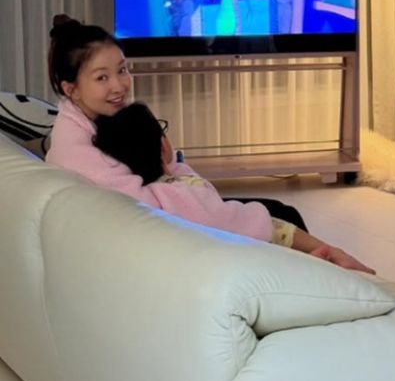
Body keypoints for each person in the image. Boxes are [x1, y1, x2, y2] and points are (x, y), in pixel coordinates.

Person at [46, 14, 374, 272]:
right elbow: (149, 211)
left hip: (176, 220)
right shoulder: (76, 152)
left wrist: (173, 168)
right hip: (168, 243)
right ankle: (318, 274)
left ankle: (322, 269)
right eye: (101, 78)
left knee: (280, 211)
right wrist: (174, 171)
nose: (119, 85)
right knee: (276, 215)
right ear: (70, 88)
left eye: (122, 70)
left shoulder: (97, 120)